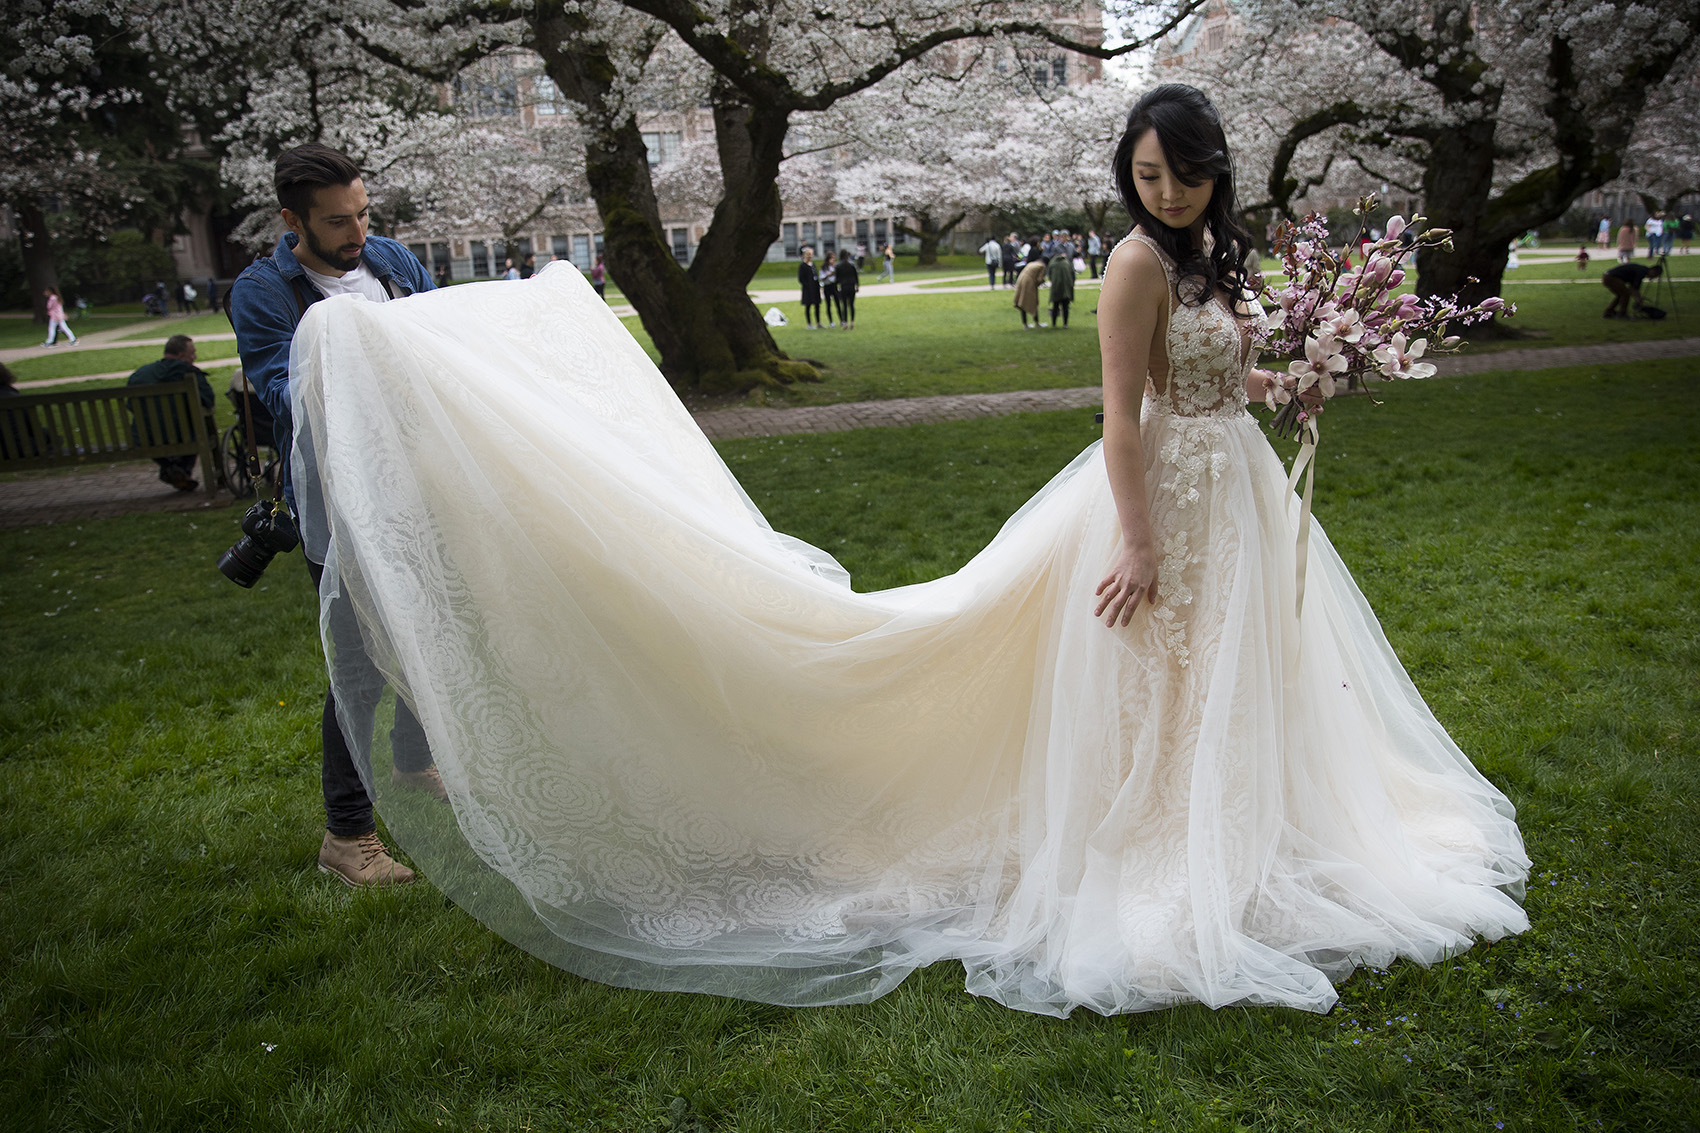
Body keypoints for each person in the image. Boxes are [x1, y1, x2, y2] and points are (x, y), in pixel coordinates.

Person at [287, 83, 1529, 1018]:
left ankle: (1247, 824)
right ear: (1129, 177)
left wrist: (1303, 369)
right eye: (1147, 173)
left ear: (1215, 175)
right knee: (1158, 674)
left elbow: (1210, 378)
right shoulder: (1134, 261)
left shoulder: (1211, 254)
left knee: (1237, 673)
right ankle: (1156, 843)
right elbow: (1117, 413)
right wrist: (1139, 538)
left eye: (1183, 173)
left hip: (1235, 487)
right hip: (1159, 497)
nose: (1165, 191)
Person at [228, 142, 445, 889]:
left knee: (430, 632)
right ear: (293, 220)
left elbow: (435, 343)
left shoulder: (389, 260)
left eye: (360, 214)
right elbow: (283, 392)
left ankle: (415, 765)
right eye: (335, 222)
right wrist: (360, 363)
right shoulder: (265, 292)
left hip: (418, 485)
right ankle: (347, 836)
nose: (355, 233)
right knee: (357, 669)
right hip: (339, 501)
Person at [125, 334, 215, 492]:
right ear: (181, 355)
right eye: (192, 353)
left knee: (149, 428)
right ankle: (180, 471)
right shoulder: (189, 373)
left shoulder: (139, 375)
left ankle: (172, 470)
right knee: (194, 427)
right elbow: (208, 401)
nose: (195, 357)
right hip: (184, 436)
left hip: (146, 438)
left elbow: (131, 406)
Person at [1012, 255, 1046, 328]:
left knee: (1022, 300)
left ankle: (1025, 324)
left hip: (1021, 279)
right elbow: (1039, 280)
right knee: (1033, 301)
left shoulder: (1032, 263)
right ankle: (1036, 323)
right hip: (1029, 282)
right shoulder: (1042, 266)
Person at [1046, 243, 1075, 327]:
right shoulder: (1066, 262)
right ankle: (1065, 323)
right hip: (1065, 288)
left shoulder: (1052, 263)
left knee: (1055, 306)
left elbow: (1050, 275)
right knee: (1065, 307)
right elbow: (1072, 273)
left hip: (1056, 288)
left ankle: (1054, 324)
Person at [833, 249, 859, 328]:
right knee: (851, 304)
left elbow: (837, 278)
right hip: (851, 285)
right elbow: (856, 276)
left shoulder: (838, 265)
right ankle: (852, 322)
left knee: (844, 305)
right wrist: (857, 285)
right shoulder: (852, 264)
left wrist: (836, 287)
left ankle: (845, 322)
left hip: (843, 286)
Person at [797, 246, 822, 327]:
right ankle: (809, 323)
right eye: (808, 254)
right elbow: (801, 279)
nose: (810, 256)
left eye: (811, 254)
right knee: (808, 306)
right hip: (808, 289)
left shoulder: (813, 265)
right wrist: (807, 285)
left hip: (815, 288)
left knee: (817, 306)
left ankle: (818, 323)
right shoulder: (803, 266)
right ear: (804, 255)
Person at [819, 251, 840, 328]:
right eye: (831, 258)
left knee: (838, 303)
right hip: (827, 286)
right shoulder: (824, 268)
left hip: (834, 285)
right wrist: (828, 275)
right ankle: (831, 321)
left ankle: (842, 320)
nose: (833, 260)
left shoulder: (835, 266)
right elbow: (821, 278)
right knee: (828, 305)